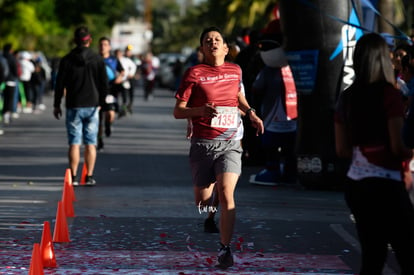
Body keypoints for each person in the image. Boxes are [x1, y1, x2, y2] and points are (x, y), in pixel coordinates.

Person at [174, 26, 264, 269]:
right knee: (203, 204)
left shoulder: (235, 70)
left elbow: (238, 97)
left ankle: (225, 248)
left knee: (227, 194)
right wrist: (199, 111)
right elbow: (178, 111)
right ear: (202, 49)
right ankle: (212, 194)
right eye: (207, 40)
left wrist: (251, 113)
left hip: (231, 142)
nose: (212, 43)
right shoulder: (194, 73)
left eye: (217, 40)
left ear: (226, 47)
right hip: (203, 143)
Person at [334, 33, 414, 274]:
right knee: (407, 253)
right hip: (388, 183)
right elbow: (398, 146)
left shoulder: (346, 98)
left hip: (357, 183)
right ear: (382, 59)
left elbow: (342, 149)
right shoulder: (390, 95)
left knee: (372, 256)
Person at [53, 26, 109, 186]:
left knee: (74, 142)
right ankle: (89, 176)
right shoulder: (97, 59)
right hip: (93, 105)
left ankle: (74, 176)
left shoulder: (67, 59)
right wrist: (103, 104)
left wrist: (57, 104)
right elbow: (104, 83)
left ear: (74, 41)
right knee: (91, 143)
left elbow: (59, 84)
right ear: (89, 40)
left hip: (73, 105)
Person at [249, 40, 297, 186]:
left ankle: (272, 171)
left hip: (272, 120)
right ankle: (290, 173)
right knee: (289, 148)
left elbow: (256, 89)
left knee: (271, 147)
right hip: (292, 120)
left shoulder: (267, 72)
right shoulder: (292, 69)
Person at [98, 37, 124, 150]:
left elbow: (122, 71)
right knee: (98, 119)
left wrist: (119, 77)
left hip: (111, 90)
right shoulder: (95, 59)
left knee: (110, 114)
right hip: (97, 90)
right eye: (101, 45)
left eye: (105, 44)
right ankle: (99, 140)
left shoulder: (113, 59)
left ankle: (108, 125)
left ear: (109, 47)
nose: (103, 47)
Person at [2, 43, 19, 125]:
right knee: (9, 99)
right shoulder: (12, 58)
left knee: (3, 99)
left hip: (2, 81)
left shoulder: (1, 57)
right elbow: (15, 70)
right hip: (11, 81)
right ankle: (7, 115)